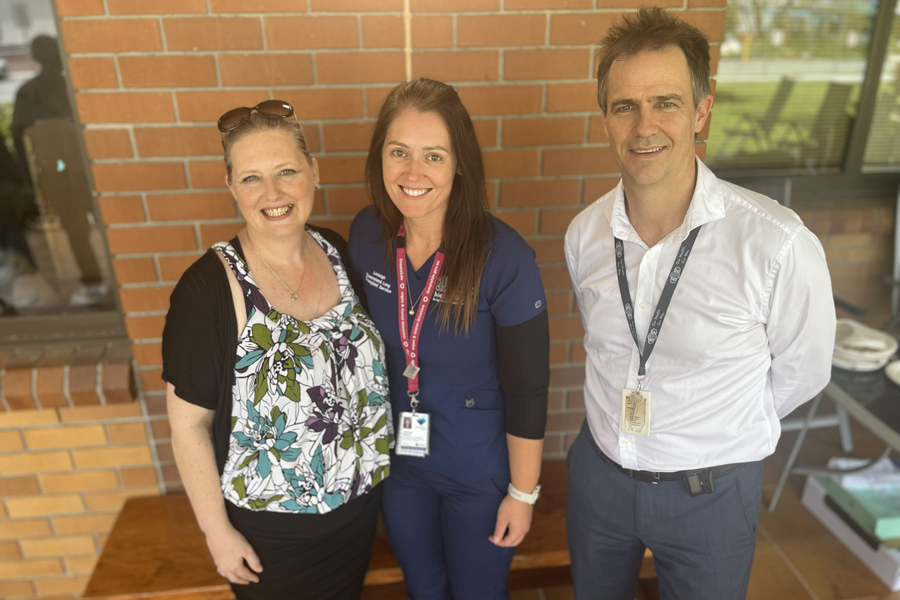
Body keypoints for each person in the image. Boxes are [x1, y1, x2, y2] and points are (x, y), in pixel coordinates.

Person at [564, 8, 835, 600]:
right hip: (600, 477)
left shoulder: (775, 243)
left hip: (710, 493)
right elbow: (609, 343)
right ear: (604, 116)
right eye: (624, 106)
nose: (644, 127)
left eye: (665, 102)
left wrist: (720, 423)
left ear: (702, 109)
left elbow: (805, 371)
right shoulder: (584, 234)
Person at [162, 100, 393, 600]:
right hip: (272, 538)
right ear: (231, 188)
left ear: (314, 172)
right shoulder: (207, 290)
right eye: (251, 179)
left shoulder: (336, 249)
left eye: (287, 171)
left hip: (358, 513)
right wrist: (217, 533)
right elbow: (187, 426)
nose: (273, 194)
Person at [348, 78, 550, 600]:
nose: (413, 174)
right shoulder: (367, 236)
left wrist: (522, 494)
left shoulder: (505, 258)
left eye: (433, 156)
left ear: (460, 163)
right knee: (424, 589)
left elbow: (528, 387)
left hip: (478, 471)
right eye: (399, 153)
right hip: (403, 466)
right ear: (380, 158)